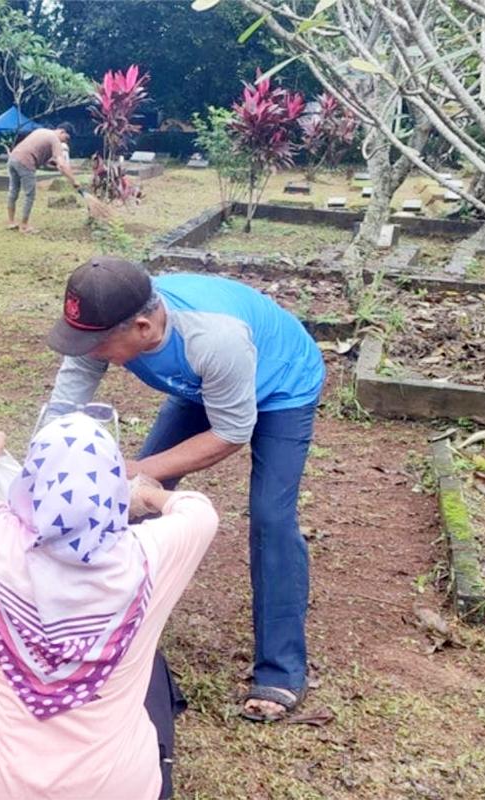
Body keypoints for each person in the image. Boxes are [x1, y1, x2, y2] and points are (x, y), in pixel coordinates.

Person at [44, 257, 325, 723]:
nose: (86, 351)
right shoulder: (99, 323)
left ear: (143, 326)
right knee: (133, 504)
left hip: (281, 388)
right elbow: (63, 409)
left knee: (271, 518)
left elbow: (231, 432)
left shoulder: (213, 337)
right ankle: (96, 628)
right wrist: (46, 467)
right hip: (202, 386)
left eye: (96, 344)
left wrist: (135, 469)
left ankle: (282, 668)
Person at [0, 414, 218, 800]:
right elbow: (199, 510)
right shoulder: (149, 555)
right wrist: (147, 494)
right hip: (117, 789)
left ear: (31, 484)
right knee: (153, 667)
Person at [6, 122, 80, 234]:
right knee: (30, 194)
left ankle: (11, 222)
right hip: (26, 161)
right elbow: (62, 164)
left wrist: (54, 165)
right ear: (62, 131)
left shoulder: (41, 131)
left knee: (13, 191)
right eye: (66, 138)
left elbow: (45, 159)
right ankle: (24, 226)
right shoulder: (54, 139)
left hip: (13, 158)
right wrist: (74, 181)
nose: (65, 142)